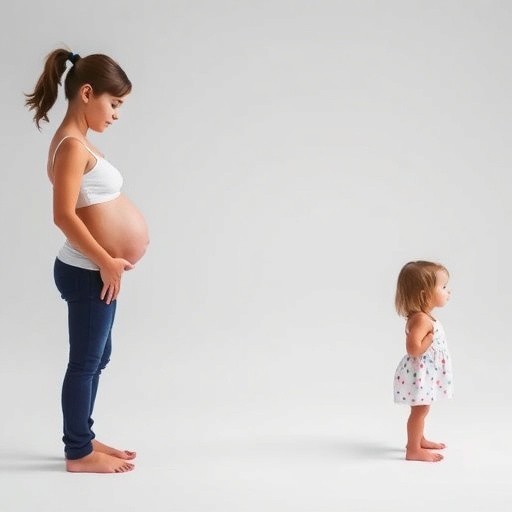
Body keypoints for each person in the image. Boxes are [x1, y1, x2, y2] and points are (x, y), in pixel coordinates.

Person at [25, 48, 149, 473]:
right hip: (86, 271)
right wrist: (106, 261)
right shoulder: (71, 147)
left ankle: (84, 434)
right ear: (87, 93)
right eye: (114, 103)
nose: (116, 115)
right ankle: (78, 451)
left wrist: (109, 261)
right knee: (84, 363)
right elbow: (63, 215)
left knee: (98, 357)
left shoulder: (77, 143)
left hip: (95, 270)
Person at [393, 260, 453, 462]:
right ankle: (413, 449)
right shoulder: (421, 320)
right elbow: (413, 349)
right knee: (420, 411)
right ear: (424, 294)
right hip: (420, 374)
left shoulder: (425, 317)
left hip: (426, 372)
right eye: (443, 287)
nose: (448, 291)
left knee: (422, 409)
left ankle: (418, 439)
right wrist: (428, 340)